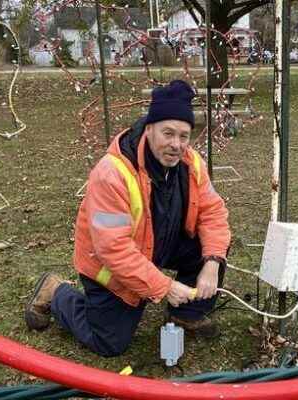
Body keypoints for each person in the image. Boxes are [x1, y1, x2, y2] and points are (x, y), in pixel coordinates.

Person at [23, 80, 231, 357]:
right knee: (109, 343)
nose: (176, 144)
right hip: (111, 266)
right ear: (148, 129)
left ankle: (187, 314)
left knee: (212, 247)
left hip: (156, 246)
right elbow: (113, 250)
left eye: (184, 136)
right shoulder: (113, 174)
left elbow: (213, 212)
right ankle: (56, 292)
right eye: (167, 133)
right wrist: (163, 286)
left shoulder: (191, 163)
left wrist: (213, 263)